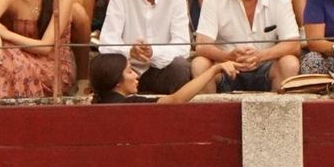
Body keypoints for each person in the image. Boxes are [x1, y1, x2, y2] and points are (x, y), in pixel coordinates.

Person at [98, 0, 192, 94]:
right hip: (127, 71)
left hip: (159, 70)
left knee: (180, 67)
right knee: (102, 65)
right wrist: (130, 51)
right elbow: (106, 44)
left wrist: (153, 52)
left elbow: (183, 47)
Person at [89, 49, 238, 102]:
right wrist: (213, 70)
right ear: (117, 81)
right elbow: (176, 99)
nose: (136, 75)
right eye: (129, 71)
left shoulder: (96, 104)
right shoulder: (130, 104)